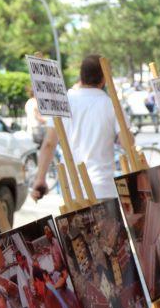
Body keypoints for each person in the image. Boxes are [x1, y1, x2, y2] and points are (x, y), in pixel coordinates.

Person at [32, 55, 121, 200]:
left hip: (73, 190)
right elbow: (127, 143)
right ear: (104, 78)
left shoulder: (63, 103)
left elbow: (49, 144)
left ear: (81, 76)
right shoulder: (111, 104)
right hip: (104, 188)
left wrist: (40, 178)